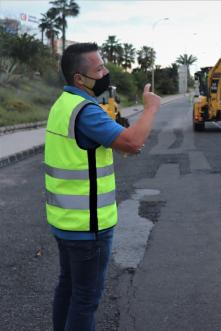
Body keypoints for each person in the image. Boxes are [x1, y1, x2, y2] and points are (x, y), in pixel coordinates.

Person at [44, 42, 161, 331]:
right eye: (99, 69)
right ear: (79, 79)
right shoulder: (86, 111)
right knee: (85, 299)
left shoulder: (63, 105)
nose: (106, 72)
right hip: (88, 227)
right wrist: (150, 108)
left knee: (68, 289)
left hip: (65, 222)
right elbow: (133, 143)